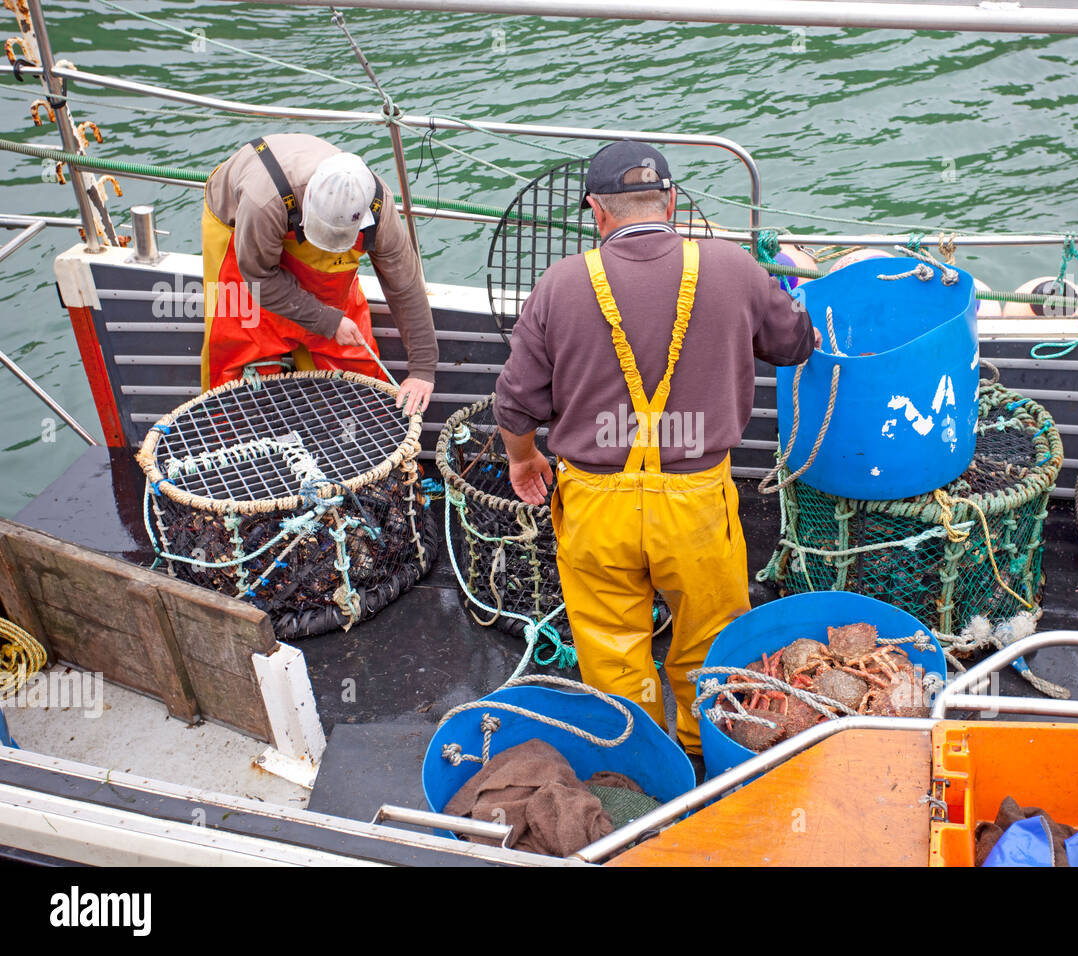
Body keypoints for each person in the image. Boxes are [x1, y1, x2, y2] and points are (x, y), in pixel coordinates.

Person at [493, 141, 815, 754]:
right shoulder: (731, 268)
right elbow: (797, 341)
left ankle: (641, 764)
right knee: (708, 639)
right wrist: (781, 280)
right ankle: (701, 753)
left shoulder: (561, 283)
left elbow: (514, 404)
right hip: (695, 506)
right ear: (670, 200)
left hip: (594, 505)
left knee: (611, 647)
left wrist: (522, 457)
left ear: (596, 210)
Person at [201, 133, 437, 415]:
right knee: (240, 350)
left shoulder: (379, 205)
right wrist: (328, 320)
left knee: (348, 358)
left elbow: (405, 285)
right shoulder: (262, 200)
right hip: (242, 238)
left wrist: (423, 367)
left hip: (300, 243)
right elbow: (258, 277)